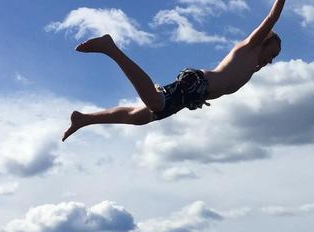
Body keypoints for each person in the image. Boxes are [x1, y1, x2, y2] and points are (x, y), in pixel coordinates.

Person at [62, 0, 285, 141]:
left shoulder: (251, 67)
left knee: (139, 117)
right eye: (271, 54)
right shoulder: (248, 48)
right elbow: (271, 18)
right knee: (156, 103)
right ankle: (110, 48)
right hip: (197, 84)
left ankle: (85, 119)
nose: (270, 61)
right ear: (263, 42)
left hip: (197, 92)